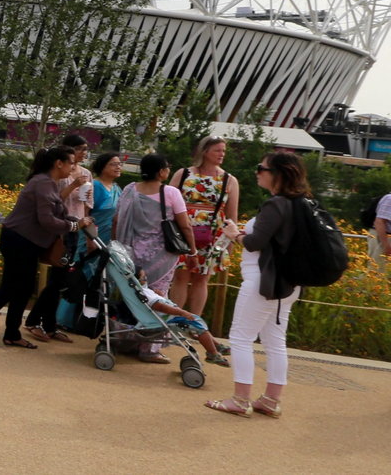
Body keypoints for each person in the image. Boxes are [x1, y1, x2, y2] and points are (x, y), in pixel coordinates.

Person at [206, 152, 309, 418]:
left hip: (262, 281)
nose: (257, 172)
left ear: (277, 173)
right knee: (275, 341)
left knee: (240, 338)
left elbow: (254, 243)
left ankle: (241, 399)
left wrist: (234, 234)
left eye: (260, 167)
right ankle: (271, 399)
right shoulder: (302, 204)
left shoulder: (276, 204)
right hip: (287, 284)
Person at [0, 146, 92, 350]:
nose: (74, 166)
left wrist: (75, 221)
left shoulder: (50, 183)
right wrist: (75, 225)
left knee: (23, 290)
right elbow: (47, 220)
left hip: (28, 241)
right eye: (71, 162)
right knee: (10, 287)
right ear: (58, 163)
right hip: (18, 240)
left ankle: (12, 334)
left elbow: (56, 211)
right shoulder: (42, 182)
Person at [114, 153, 194, 363]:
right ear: (161, 172)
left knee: (133, 297)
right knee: (158, 299)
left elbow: (117, 219)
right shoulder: (170, 192)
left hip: (132, 255)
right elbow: (184, 225)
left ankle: (126, 341)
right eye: (167, 167)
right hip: (162, 256)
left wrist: (117, 246)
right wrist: (192, 249)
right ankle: (150, 348)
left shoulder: (130, 189)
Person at [24, 134, 92, 343]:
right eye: (80, 148)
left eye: (86, 148)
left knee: (62, 281)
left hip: (76, 230)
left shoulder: (86, 173)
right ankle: (36, 322)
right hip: (60, 230)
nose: (84, 153)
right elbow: (54, 202)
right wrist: (72, 186)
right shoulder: (60, 174)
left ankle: (49, 325)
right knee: (57, 280)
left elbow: (87, 203)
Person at [168, 136, 239, 314]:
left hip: (213, 234)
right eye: (218, 150)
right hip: (183, 231)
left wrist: (230, 242)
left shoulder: (229, 180)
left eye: (224, 150)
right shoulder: (183, 174)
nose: (222, 154)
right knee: (180, 276)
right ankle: (174, 319)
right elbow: (167, 203)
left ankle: (195, 323)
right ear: (205, 151)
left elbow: (232, 214)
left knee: (202, 278)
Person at [56, 151, 123, 329]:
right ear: (102, 167)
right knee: (81, 276)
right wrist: (89, 238)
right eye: (113, 164)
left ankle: (87, 322)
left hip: (108, 241)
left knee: (99, 281)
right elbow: (87, 213)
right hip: (90, 238)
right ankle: (63, 320)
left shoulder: (117, 189)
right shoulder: (96, 186)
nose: (118, 167)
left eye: (119, 164)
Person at [135, 270, 230, 366]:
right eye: (143, 277)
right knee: (199, 327)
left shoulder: (145, 291)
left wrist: (159, 295)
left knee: (199, 325)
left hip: (172, 317)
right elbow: (160, 307)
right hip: (170, 319)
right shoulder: (144, 294)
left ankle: (216, 346)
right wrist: (182, 312)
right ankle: (212, 353)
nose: (146, 278)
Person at [368, 192, 391, 272]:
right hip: (384, 237)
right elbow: (379, 222)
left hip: (385, 237)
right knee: (377, 270)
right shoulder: (389, 199)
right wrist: (386, 246)